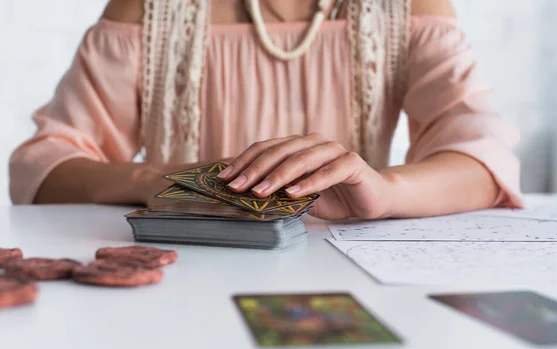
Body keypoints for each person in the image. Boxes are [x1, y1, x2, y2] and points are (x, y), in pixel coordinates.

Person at [9, 0, 523, 220]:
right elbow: (41, 169)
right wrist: (162, 179)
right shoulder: (150, 9)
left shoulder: (405, 8)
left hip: (350, 278)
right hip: (184, 280)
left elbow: (484, 159)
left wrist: (385, 190)